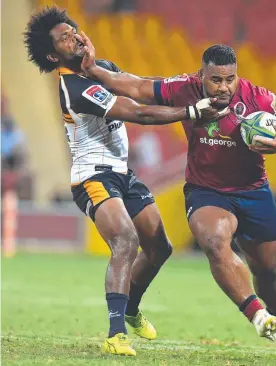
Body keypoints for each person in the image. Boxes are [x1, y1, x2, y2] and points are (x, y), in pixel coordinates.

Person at [79, 34, 276, 361]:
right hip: (206, 190)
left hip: (253, 190)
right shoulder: (183, 88)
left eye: (230, 79)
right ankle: (258, 314)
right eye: (216, 80)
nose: (224, 87)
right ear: (201, 75)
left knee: (268, 269)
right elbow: (137, 86)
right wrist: (94, 70)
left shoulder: (256, 97)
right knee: (214, 241)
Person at [23, 6, 222, 357]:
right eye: (64, 38)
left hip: (122, 173)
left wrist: (190, 87)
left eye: (74, 30)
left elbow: (143, 90)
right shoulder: (73, 87)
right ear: (54, 54)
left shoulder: (105, 70)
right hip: (92, 177)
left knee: (160, 247)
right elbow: (138, 113)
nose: (74, 37)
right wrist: (191, 112)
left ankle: (131, 310)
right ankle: (116, 333)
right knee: (126, 240)